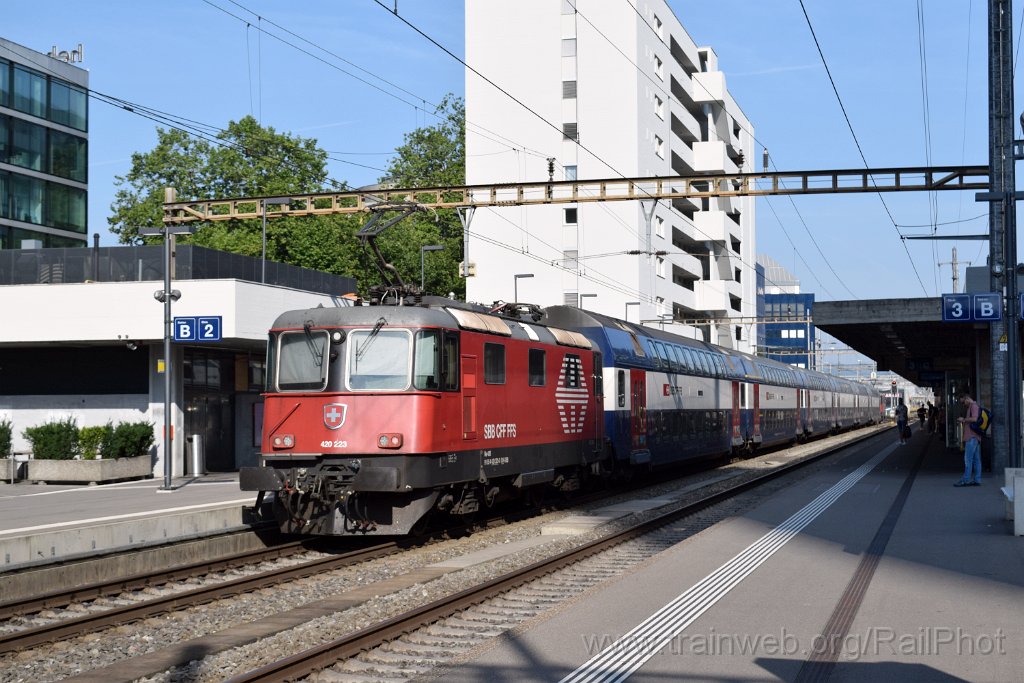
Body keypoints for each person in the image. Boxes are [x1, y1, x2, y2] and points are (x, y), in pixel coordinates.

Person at [955, 391, 982, 487]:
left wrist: (964, 419)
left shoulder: (973, 406)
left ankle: (965, 480)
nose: (963, 404)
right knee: (976, 460)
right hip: (974, 437)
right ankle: (977, 480)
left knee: (968, 460)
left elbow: (974, 419)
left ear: (966, 398)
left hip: (972, 437)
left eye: (963, 402)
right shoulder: (972, 406)